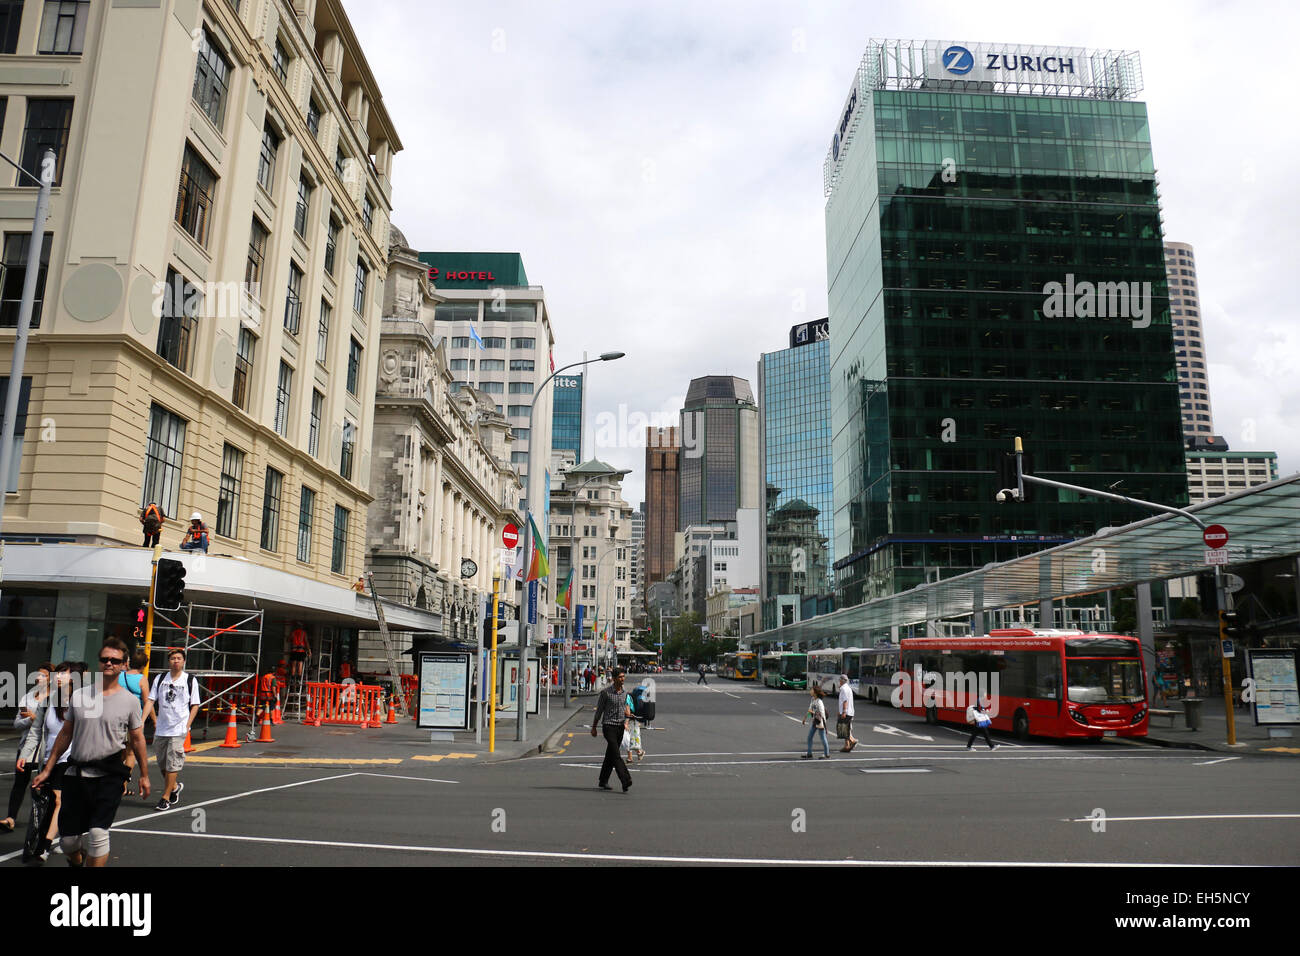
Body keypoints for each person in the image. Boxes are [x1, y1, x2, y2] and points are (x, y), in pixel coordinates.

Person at [32, 640, 150, 867]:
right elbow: (65, 734)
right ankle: (77, 860)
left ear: (124, 665)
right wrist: (48, 769)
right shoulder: (80, 696)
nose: (109, 663)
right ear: (99, 662)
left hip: (109, 776)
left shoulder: (129, 701)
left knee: (98, 834)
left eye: (115, 661)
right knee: (68, 842)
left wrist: (144, 774)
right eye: (105, 659)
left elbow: (137, 739)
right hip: (77, 774)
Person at [147, 649, 201, 811]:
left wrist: (187, 725)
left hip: (179, 728)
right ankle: (175, 787)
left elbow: (195, 705)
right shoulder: (160, 678)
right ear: (169, 661)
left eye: (178, 658)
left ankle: (165, 797)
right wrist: (147, 720)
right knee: (162, 763)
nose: (175, 661)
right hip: (162, 728)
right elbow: (151, 700)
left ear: (184, 661)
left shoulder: (190, 680)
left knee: (173, 764)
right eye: (172, 658)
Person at [2, 663, 50, 833]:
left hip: (46, 748)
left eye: (43, 675)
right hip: (26, 747)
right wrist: (30, 719)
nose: (38, 677)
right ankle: (10, 818)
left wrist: (35, 716)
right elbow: (17, 724)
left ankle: (41, 823)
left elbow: (53, 724)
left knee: (42, 787)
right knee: (20, 783)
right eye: (38, 674)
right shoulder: (28, 697)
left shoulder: (55, 699)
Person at [590, 668, 633, 792]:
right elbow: (599, 711)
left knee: (610, 755)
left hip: (620, 727)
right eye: (620, 677)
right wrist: (594, 727)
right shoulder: (606, 693)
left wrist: (627, 720)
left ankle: (603, 780)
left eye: (623, 676)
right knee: (616, 754)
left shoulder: (625, 693)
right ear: (614, 679)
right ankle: (625, 780)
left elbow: (625, 709)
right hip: (608, 726)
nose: (622, 679)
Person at [118, 650, 148, 795]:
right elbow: (147, 701)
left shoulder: (120, 676)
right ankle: (122, 784)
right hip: (134, 720)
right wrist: (151, 720)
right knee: (131, 754)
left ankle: (114, 779)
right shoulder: (142, 679)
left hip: (117, 719)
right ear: (144, 665)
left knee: (118, 752)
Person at [802, 684, 830, 759]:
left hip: (820, 722)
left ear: (815, 692)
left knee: (823, 738)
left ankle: (827, 754)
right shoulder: (812, 699)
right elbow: (809, 709)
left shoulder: (819, 702)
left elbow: (822, 713)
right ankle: (809, 753)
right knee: (809, 737)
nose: (810, 691)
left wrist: (813, 712)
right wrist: (805, 718)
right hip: (815, 721)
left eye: (812, 690)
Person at [837, 674, 857, 752]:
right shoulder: (848, 688)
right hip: (850, 711)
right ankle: (847, 746)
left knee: (843, 729)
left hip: (847, 712)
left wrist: (844, 711)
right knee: (846, 728)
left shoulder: (843, 689)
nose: (839, 681)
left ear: (842, 681)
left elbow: (845, 701)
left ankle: (852, 741)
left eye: (840, 680)